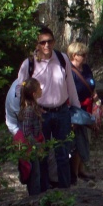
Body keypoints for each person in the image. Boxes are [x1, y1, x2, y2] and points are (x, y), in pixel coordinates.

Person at [15, 26, 80, 189]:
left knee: (64, 153)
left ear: (54, 41)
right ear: (37, 44)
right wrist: (29, 108)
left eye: (49, 41)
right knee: (41, 155)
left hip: (62, 111)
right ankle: (44, 194)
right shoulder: (29, 64)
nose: (46, 45)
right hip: (40, 114)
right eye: (42, 42)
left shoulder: (62, 58)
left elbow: (70, 84)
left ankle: (66, 192)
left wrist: (76, 110)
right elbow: (20, 89)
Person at [68, 41, 96, 183]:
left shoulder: (86, 69)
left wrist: (94, 94)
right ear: (74, 55)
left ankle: (80, 170)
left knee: (85, 140)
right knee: (76, 142)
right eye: (82, 55)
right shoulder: (69, 72)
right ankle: (74, 174)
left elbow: (92, 84)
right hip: (76, 112)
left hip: (87, 110)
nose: (85, 57)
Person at [18, 78, 46, 196]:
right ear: (34, 94)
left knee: (38, 174)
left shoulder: (35, 106)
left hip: (36, 145)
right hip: (32, 148)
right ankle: (33, 201)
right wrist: (36, 146)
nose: (41, 89)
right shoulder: (29, 110)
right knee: (34, 176)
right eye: (39, 88)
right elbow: (27, 132)